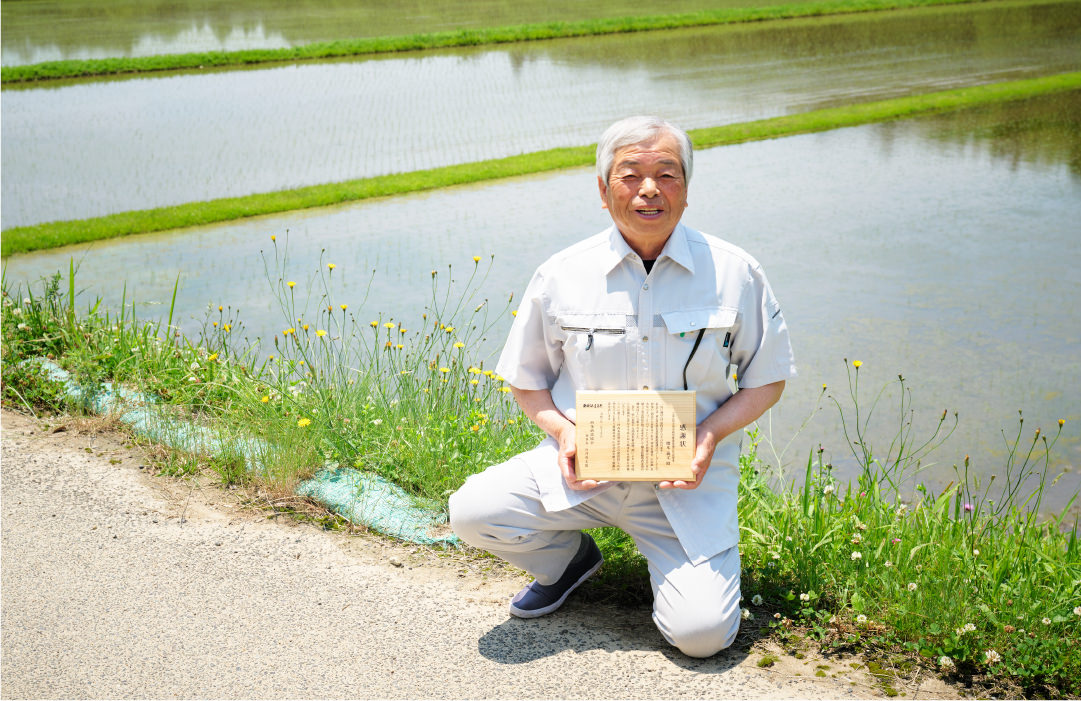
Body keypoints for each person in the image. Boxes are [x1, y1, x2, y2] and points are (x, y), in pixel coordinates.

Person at [449, 116, 795, 658]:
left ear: (686, 188)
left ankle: (686, 577)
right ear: (604, 188)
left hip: (686, 485)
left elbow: (766, 379)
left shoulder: (735, 272)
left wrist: (708, 437)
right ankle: (567, 562)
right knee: (473, 511)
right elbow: (527, 382)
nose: (650, 188)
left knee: (702, 638)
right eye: (630, 174)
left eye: (667, 174)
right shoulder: (562, 273)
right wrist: (562, 434)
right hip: (583, 468)